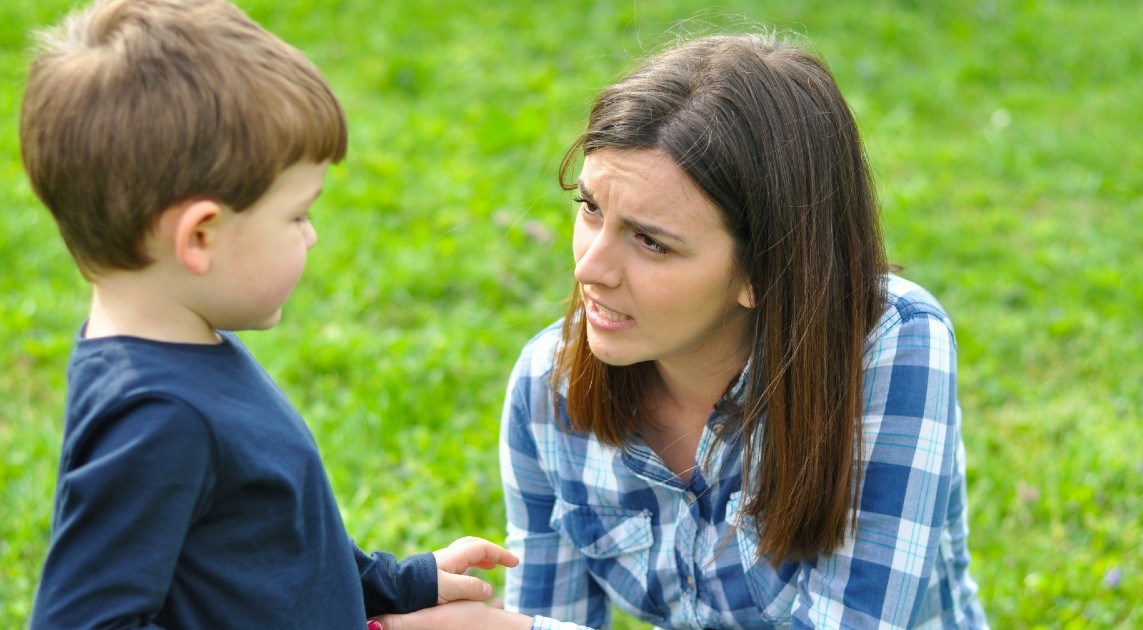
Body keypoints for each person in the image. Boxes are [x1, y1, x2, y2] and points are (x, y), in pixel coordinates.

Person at [379, 33, 988, 630]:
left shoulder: (889, 349)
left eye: (651, 241)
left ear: (766, 271)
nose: (588, 268)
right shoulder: (548, 387)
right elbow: (556, 607)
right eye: (590, 208)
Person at [21, 0, 517, 627]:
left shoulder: (181, 348)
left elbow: (263, 549)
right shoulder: (158, 419)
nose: (311, 236)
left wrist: (398, 582)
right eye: (298, 215)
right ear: (200, 237)